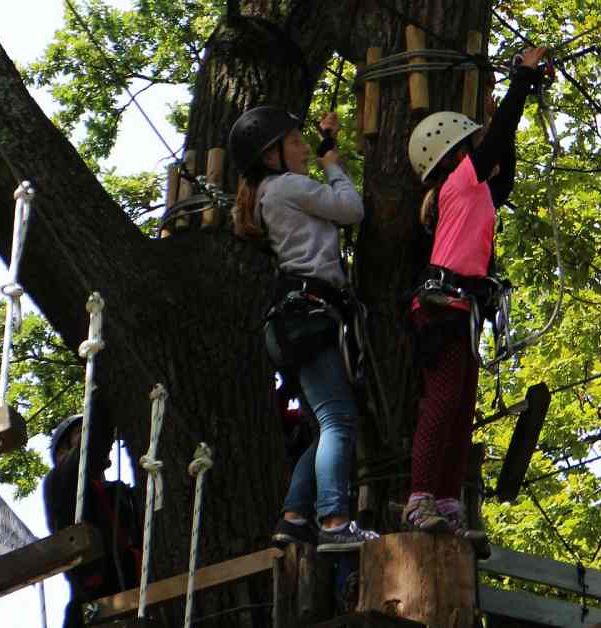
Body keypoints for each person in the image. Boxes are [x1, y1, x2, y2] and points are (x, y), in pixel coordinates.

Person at [402, 47, 549, 550]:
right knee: (442, 405)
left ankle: (444, 500)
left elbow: (503, 166)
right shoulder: (457, 184)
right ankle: (420, 497)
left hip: (461, 311)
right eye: (472, 144)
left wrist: (507, 108)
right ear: (454, 154)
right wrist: (521, 80)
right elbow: (497, 144)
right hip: (443, 310)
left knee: (461, 409)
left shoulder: (476, 191)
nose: (479, 150)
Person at [229, 105, 378, 552]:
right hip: (309, 318)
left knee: (323, 425)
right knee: (338, 420)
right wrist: (333, 165)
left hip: (294, 322)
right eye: (295, 143)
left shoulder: (270, 192)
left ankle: (295, 517)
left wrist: (326, 140)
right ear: (272, 156)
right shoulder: (288, 187)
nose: (304, 151)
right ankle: (333, 520)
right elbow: (352, 210)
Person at [43, 412, 142, 628]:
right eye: (81, 432)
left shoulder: (121, 494)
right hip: (93, 609)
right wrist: (104, 392)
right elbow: (94, 442)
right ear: (62, 453)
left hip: (138, 597)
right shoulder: (59, 481)